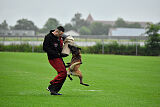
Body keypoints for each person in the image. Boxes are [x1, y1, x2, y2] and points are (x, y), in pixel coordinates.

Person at [43, 26, 68, 95]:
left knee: (64, 75)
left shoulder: (59, 37)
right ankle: (51, 85)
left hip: (58, 57)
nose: (61, 36)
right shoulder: (48, 37)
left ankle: (54, 91)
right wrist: (56, 54)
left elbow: (60, 47)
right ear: (56, 31)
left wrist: (64, 53)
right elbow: (45, 48)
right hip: (53, 58)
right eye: (60, 34)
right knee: (63, 73)